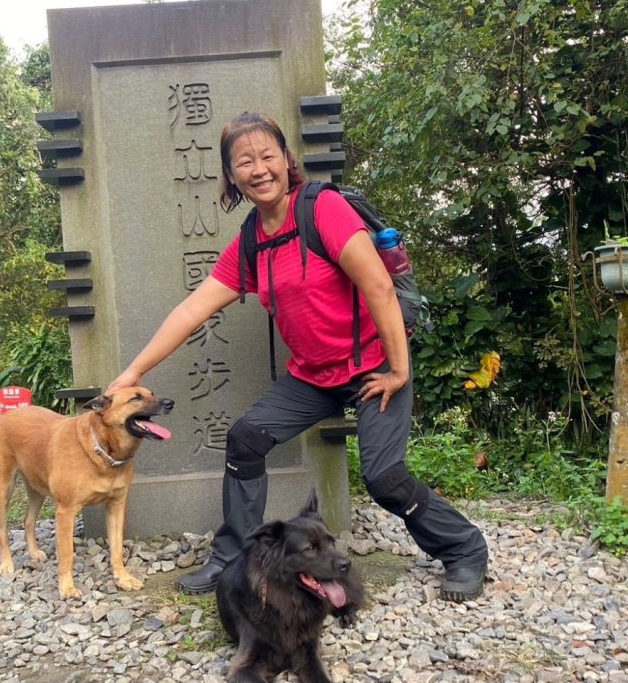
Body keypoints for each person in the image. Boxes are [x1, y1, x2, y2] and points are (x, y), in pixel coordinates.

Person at [107, 112, 488, 602]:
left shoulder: (322, 210)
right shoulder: (251, 240)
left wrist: (398, 368)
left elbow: (378, 287)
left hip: (374, 365)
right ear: (231, 175)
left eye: (268, 156)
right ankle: (233, 560)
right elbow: (191, 310)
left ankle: (464, 548)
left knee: (385, 477)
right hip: (314, 375)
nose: (259, 168)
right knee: (246, 439)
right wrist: (134, 372)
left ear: (287, 161)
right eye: (244, 161)